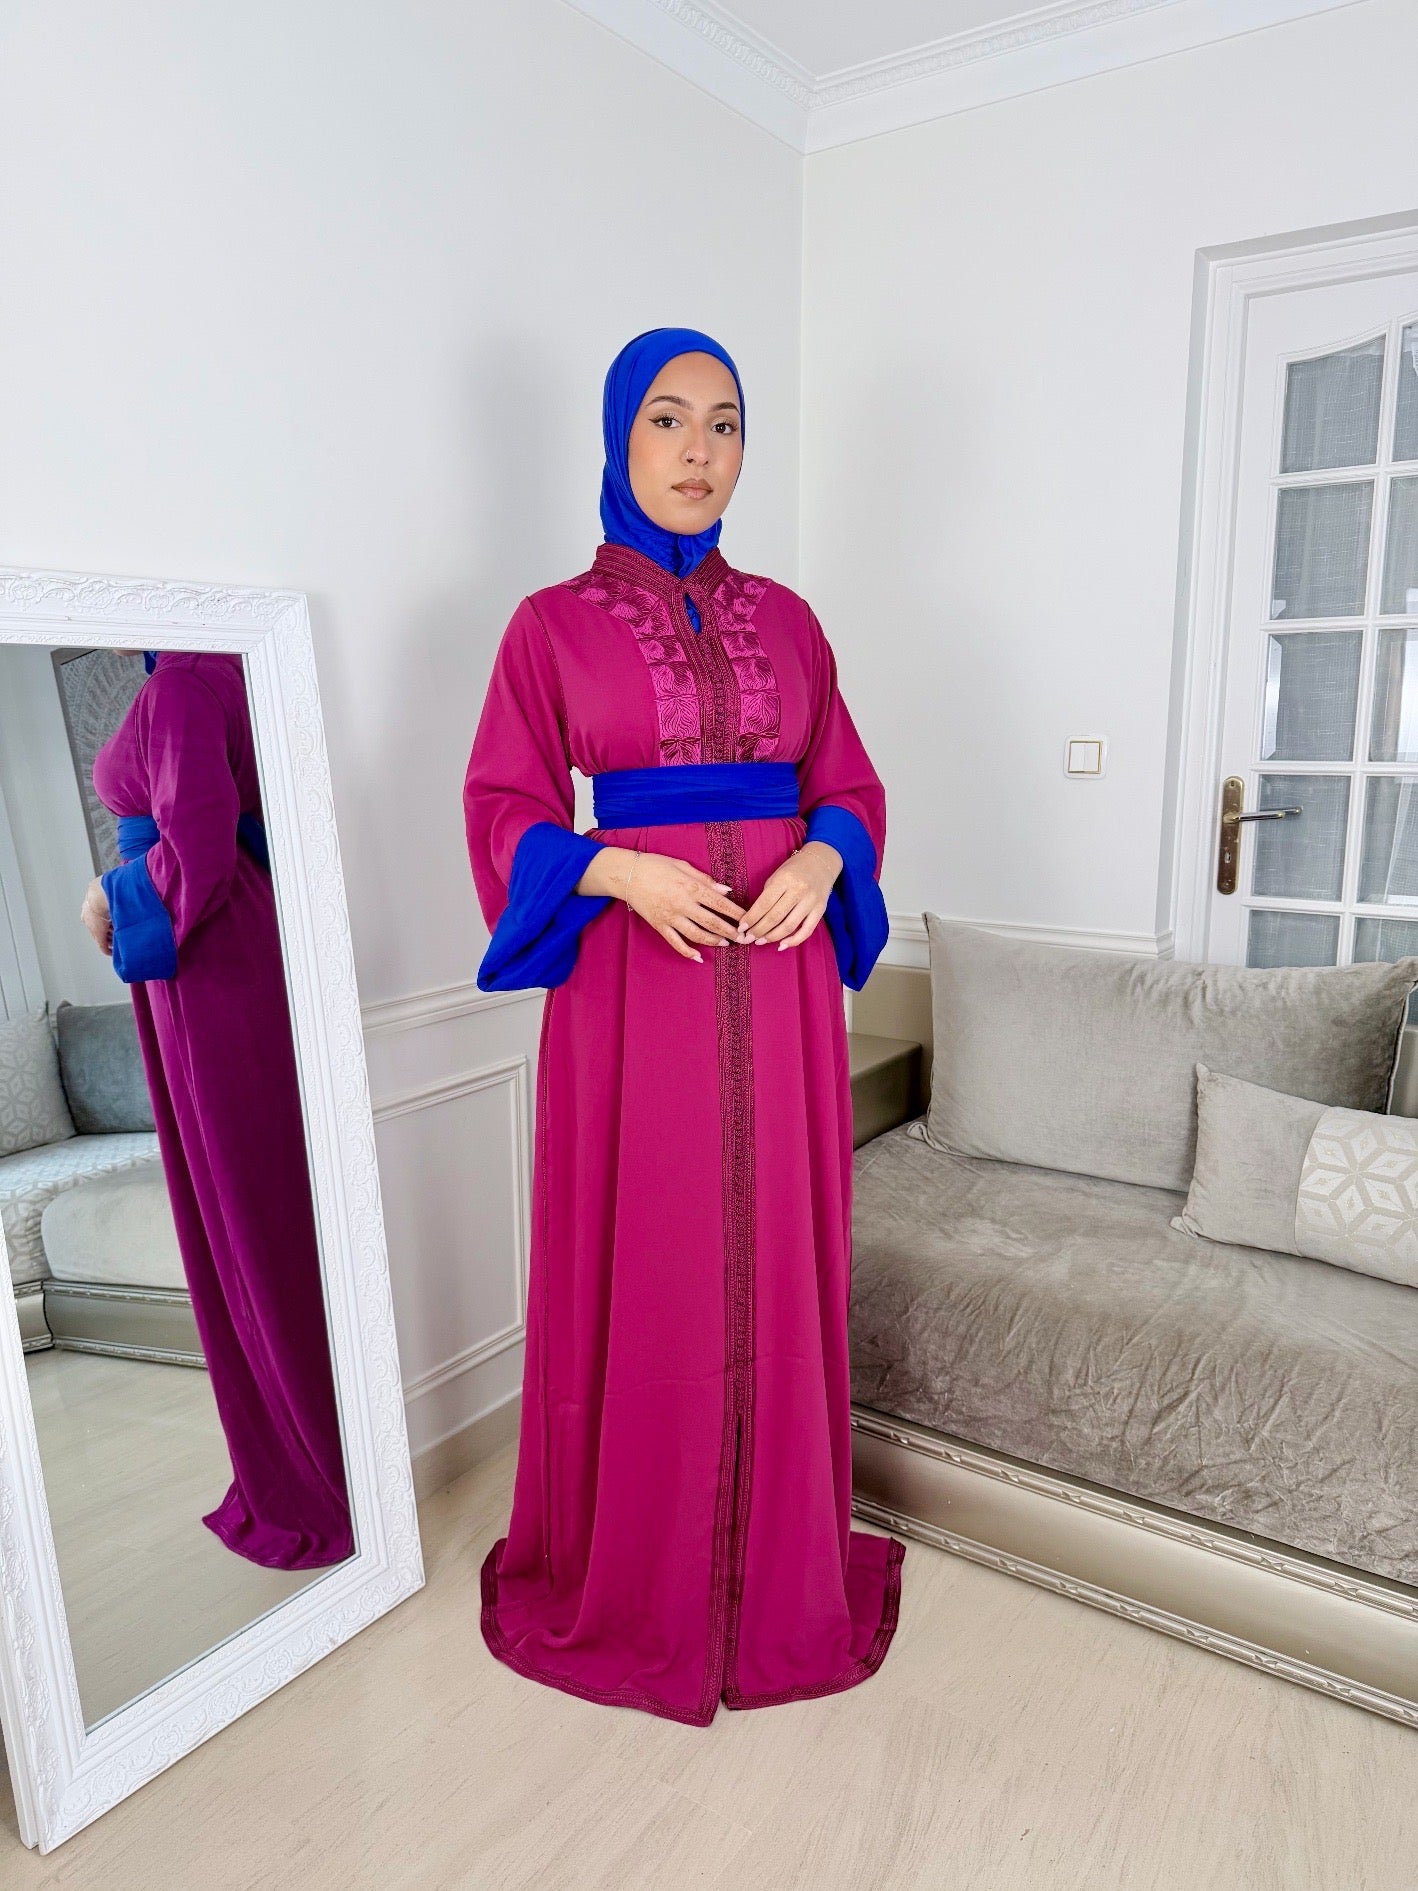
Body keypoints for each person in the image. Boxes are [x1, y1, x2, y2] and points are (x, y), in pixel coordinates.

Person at [463, 325, 905, 1724]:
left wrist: (824, 855)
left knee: (771, 1248)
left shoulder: (791, 619)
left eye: (723, 423)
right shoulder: (549, 625)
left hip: (776, 977)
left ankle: (773, 1577)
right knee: (650, 1248)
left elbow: (845, 780)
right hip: (632, 980)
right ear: (618, 439)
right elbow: (503, 803)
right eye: (667, 419)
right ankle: (642, 1579)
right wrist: (615, 869)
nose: (698, 451)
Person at [81, 649, 353, 1570]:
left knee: (249, 1222)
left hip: (206, 964)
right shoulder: (224, 668)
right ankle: (325, 1449)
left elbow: (195, 854)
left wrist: (109, 891)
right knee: (271, 1210)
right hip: (229, 949)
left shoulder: (182, 684)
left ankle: (311, 1472)